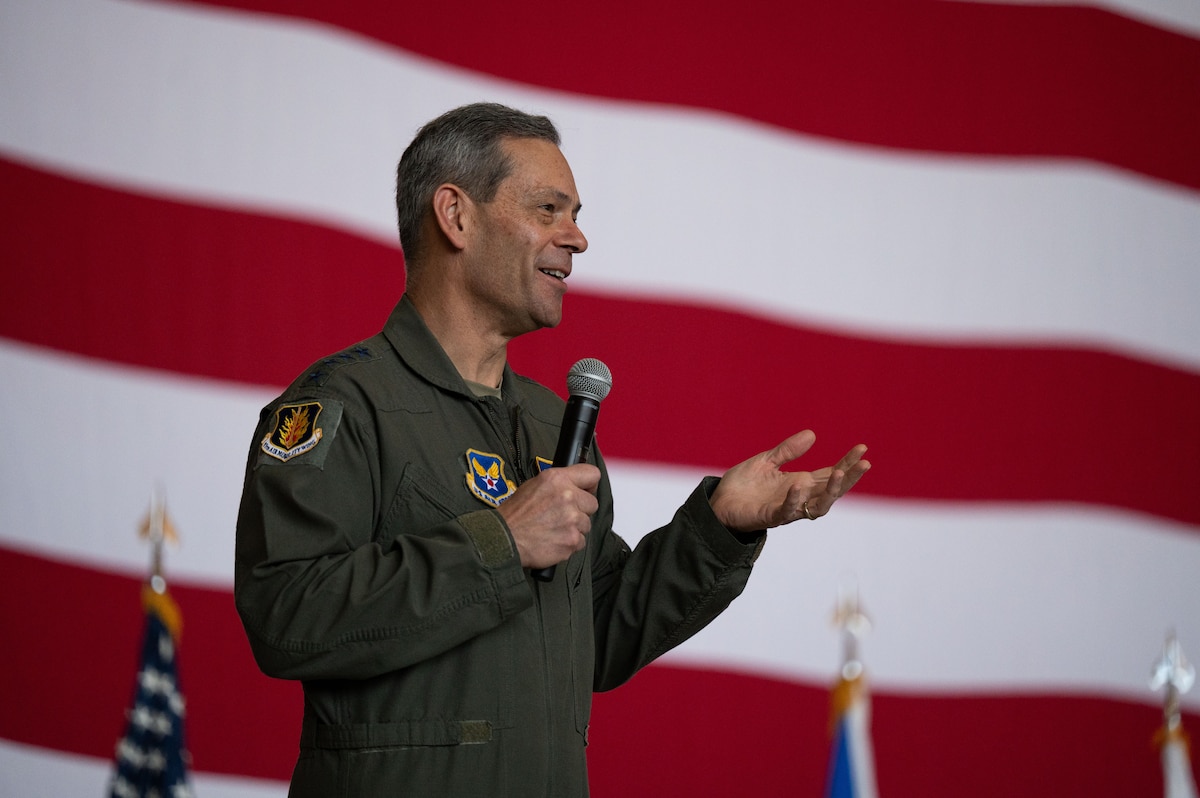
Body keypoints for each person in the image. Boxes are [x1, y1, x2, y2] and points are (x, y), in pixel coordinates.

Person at [234, 102, 871, 797]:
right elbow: (286, 614)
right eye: (548, 209)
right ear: (456, 216)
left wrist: (718, 528)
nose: (577, 238)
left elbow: (595, 632)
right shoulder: (343, 403)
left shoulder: (551, 424)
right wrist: (499, 544)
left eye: (574, 214)